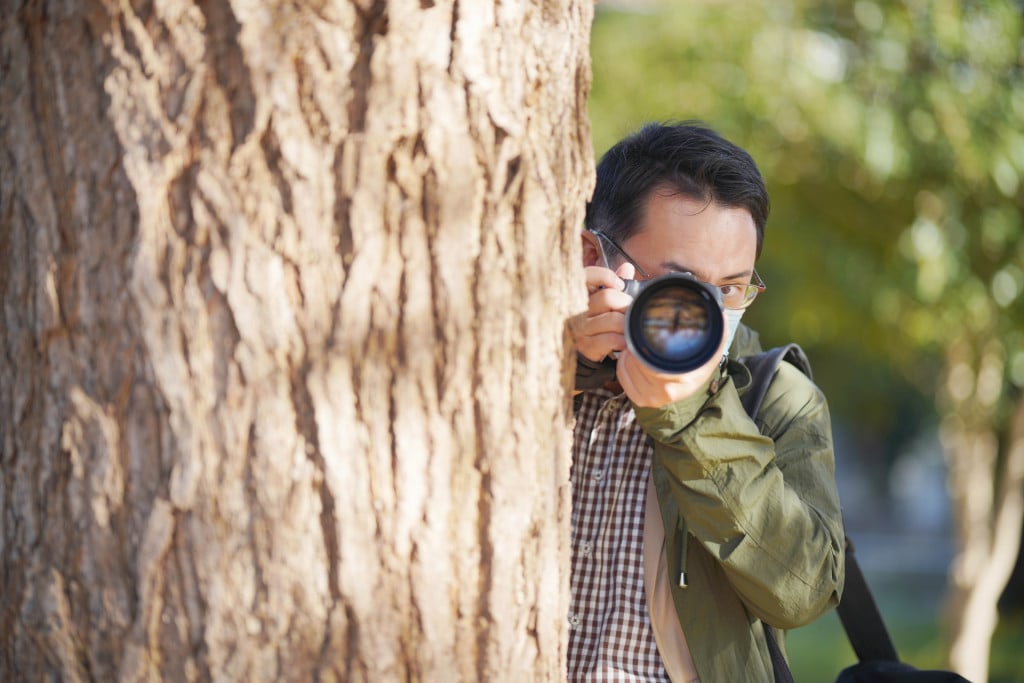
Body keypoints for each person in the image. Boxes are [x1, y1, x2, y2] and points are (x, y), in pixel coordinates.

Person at [570, 122, 845, 682]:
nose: (708, 312)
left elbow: (804, 591)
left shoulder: (777, 397)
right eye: (682, 283)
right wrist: (557, 370)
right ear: (591, 254)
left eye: (729, 289)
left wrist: (692, 418)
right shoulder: (516, 368)